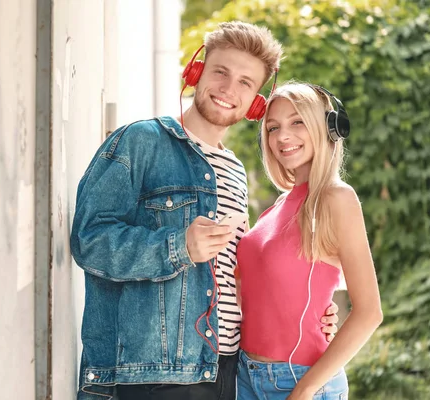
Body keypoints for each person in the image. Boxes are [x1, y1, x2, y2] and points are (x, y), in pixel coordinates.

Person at [70, 22, 339, 400]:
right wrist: (179, 247)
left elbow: (236, 278)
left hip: (228, 371)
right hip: (155, 375)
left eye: (246, 82)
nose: (230, 89)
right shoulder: (140, 142)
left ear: (256, 103)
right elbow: (89, 240)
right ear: (196, 72)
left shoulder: (235, 171)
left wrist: (307, 312)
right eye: (221, 72)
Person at [235, 82, 383, 399]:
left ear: (328, 128)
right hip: (244, 376)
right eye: (273, 128)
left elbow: (370, 312)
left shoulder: (337, 198)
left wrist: (304, 390)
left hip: (299, 381)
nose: (282, 136)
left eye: (297, 122)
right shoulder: (275, 208)